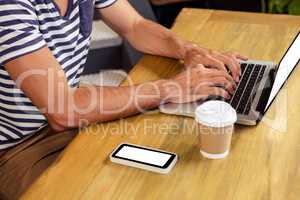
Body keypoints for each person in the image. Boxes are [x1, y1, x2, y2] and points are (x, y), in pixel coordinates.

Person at [0, 0, 247, 199]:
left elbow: (135, 26)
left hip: (67, 117)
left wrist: (189, 50)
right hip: (16, 146)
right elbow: (64, 109)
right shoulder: (10, 6)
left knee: (164, 160)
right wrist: (173, 87)